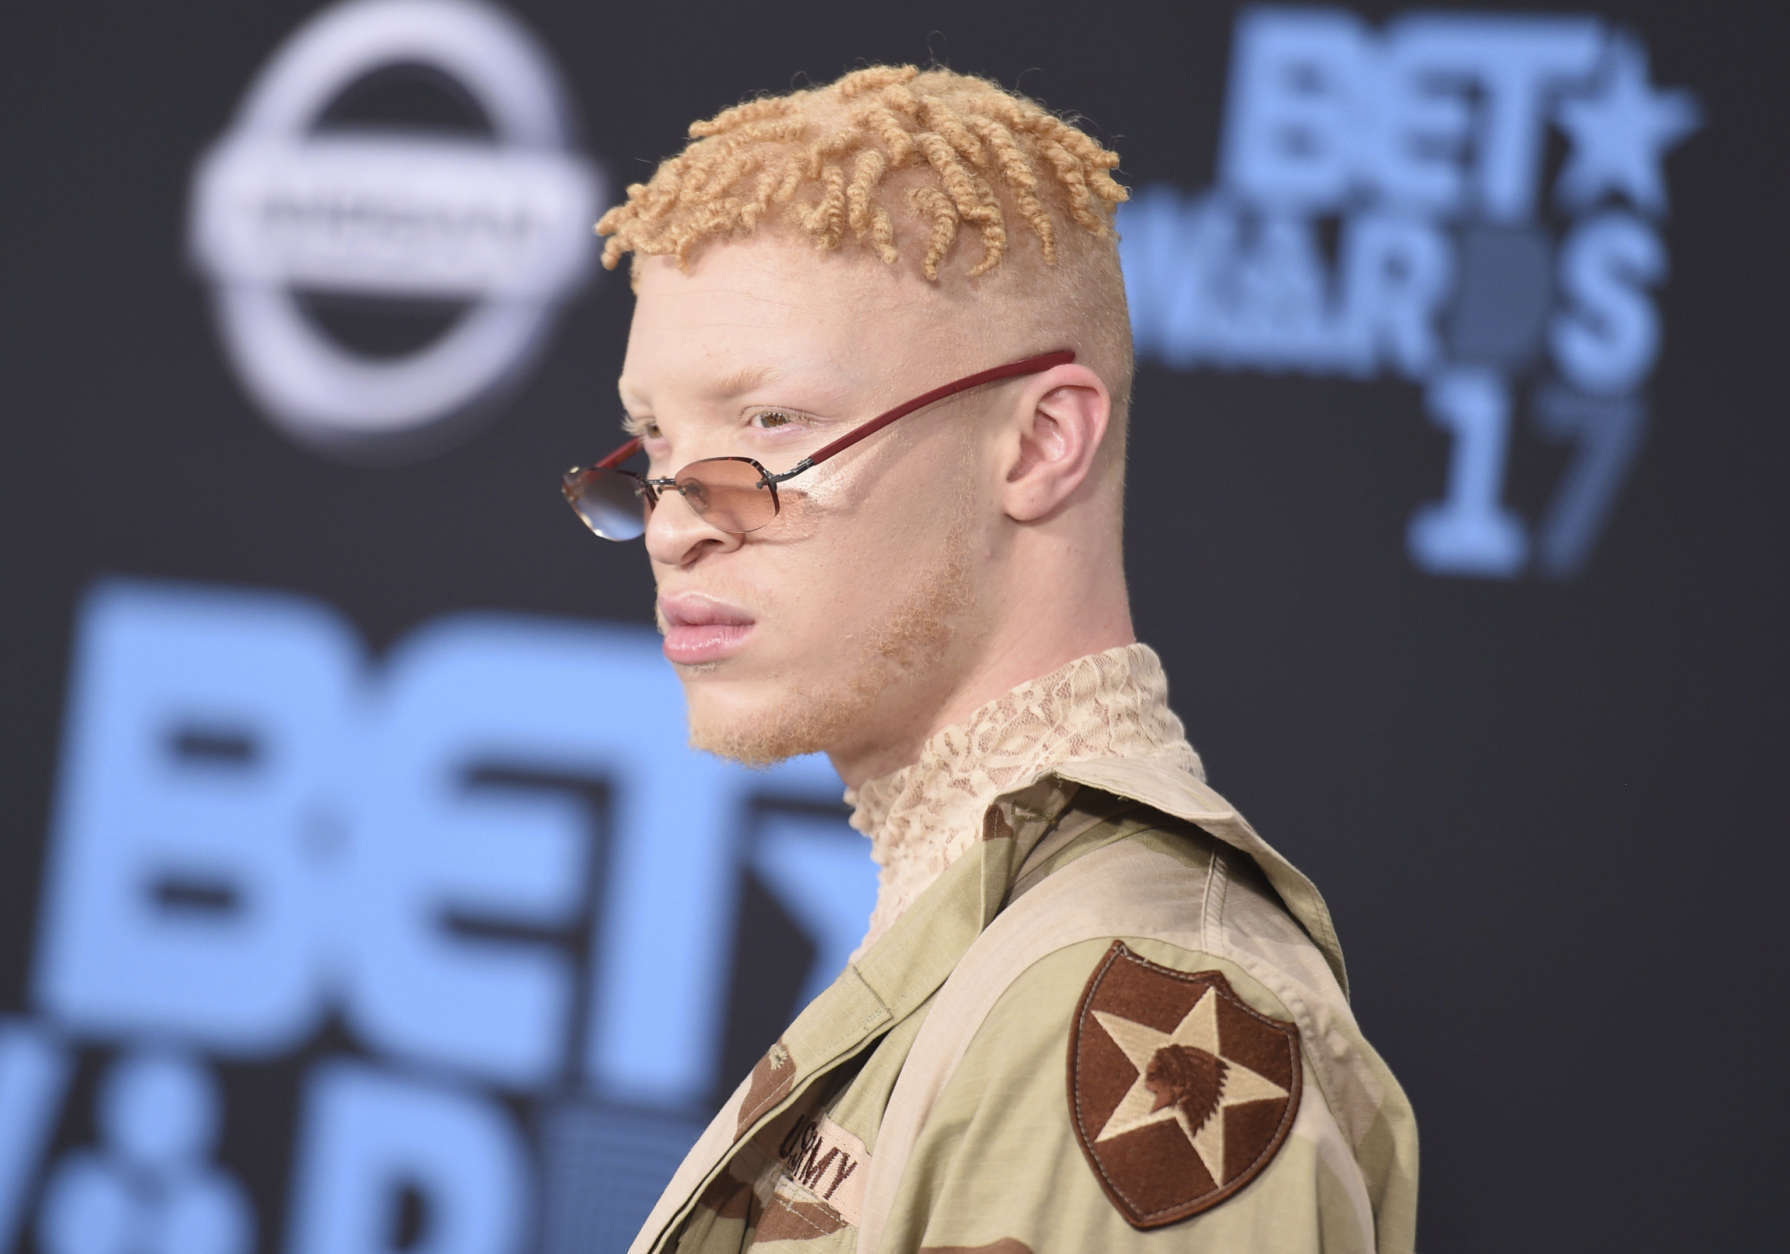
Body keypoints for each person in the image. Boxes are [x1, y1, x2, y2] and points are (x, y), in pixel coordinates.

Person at [562, 63, 1418, 1253]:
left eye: (772, 426)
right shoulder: (997, 933)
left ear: (1039, 444)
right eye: (654, 440)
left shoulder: (1133, 1017)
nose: (672, 520)